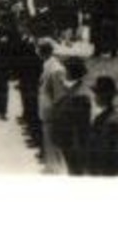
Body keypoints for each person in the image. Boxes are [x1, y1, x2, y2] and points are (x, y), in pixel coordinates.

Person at [37, 40, 70, 174]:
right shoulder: (48, 64)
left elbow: (59, 94)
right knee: (48, 141)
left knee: (53, 142)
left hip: (52, 111)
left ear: (42, 51)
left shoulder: (55, 69)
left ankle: (56, 169)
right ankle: (50, 167)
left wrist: (57, 112)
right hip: (47, 110)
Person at [86, 75, 118, 176]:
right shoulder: (105, 116)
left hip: (105, 169)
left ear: (102, 96)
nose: (94, 97)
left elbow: (104, 149)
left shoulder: (111, 121)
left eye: (96, 94)